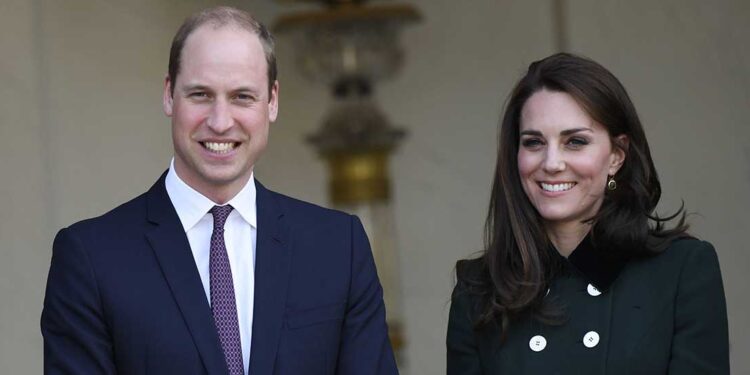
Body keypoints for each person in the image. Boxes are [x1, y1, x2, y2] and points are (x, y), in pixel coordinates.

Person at [41, 6, 397, 375]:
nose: (220, 121)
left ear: (272, 101)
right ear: (169, 95)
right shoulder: (91, 258)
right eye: (200, 94)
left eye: (242, 96)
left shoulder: (338, 247)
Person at [447, 53, 729, 374]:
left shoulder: (682, 270)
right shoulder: (479, 289)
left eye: (575, 141)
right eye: (534, 142)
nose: (551, 163)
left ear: (616, 156)